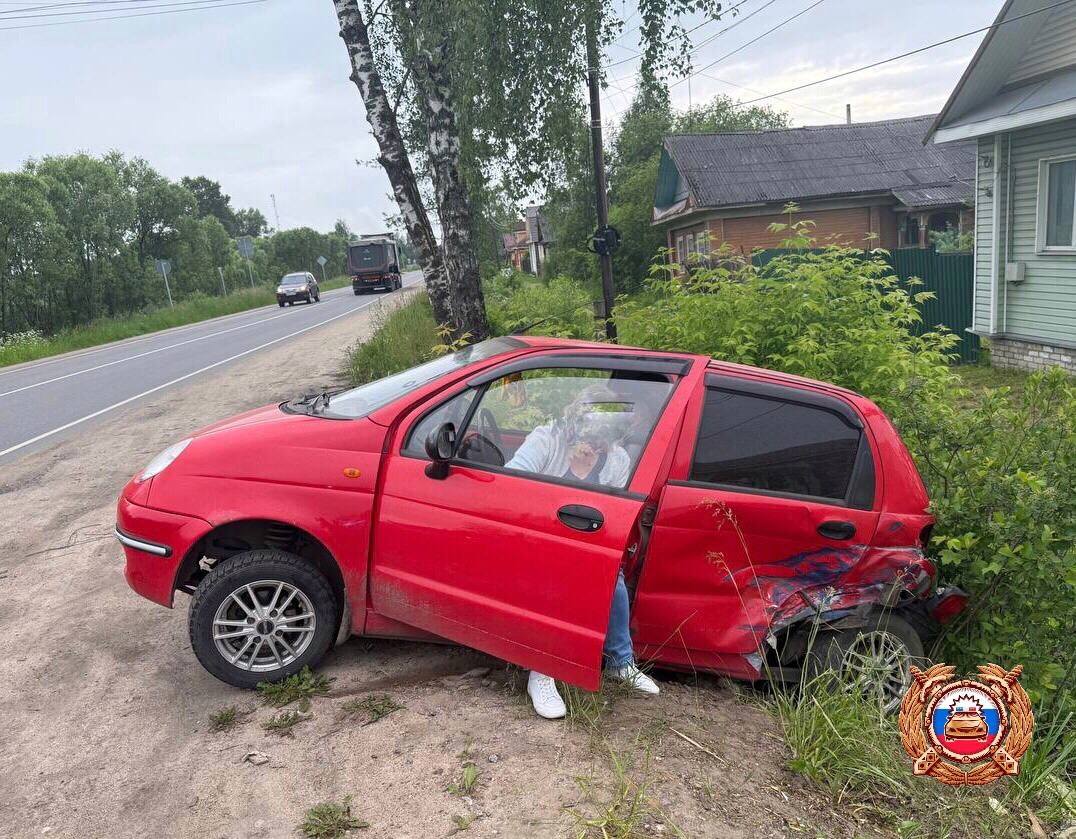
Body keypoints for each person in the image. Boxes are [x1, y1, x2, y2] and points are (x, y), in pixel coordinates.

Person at [504, 383, 660, 719]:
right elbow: (511, 482)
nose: (597, 444)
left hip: (583, 538)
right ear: (575, 422)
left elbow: (611, 508)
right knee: (553, 576)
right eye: (592, 433)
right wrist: (572, 473)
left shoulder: (616, 458)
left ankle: (621, 662)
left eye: (605, 437)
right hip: (535, 535)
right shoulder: (548, 438)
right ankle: (541, 671)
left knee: (612, 573)